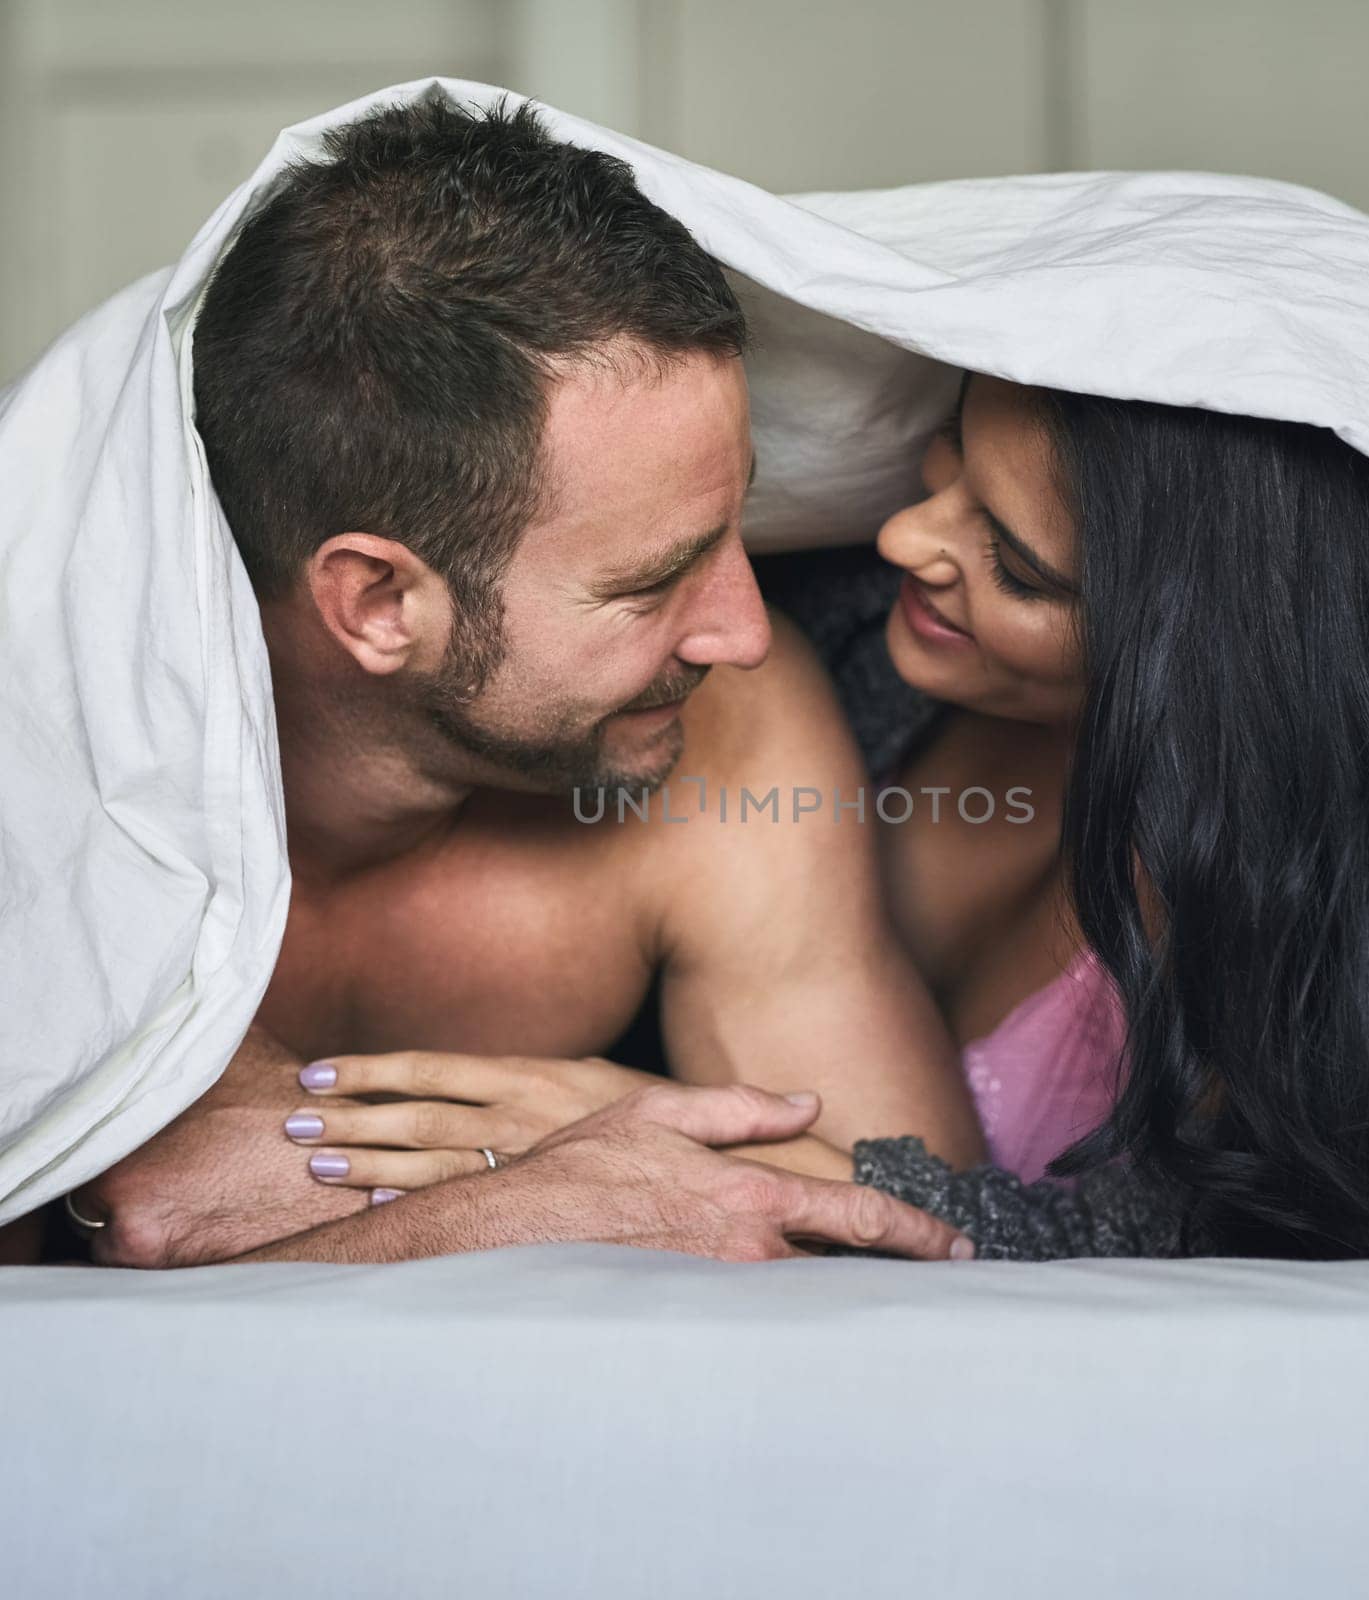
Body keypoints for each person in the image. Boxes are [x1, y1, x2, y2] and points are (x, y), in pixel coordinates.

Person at [55, 97, 985, 1270]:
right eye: (652, 583)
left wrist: (495, 1198)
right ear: (378, 604)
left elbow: (919, 1244)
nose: (748, 632)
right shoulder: (45, 756)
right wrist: (535, 1199)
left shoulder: (729, 734)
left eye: (737, 524)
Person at [839, 371, 1369, 1260]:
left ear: (1200, 654)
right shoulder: (841, 647)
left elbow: (1164, 1263)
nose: (901, 536)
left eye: (1017, 569)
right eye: (951, 454)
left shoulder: (1317, 963)